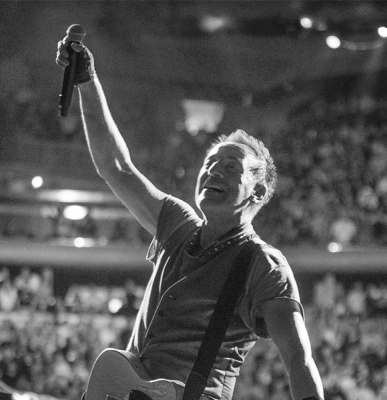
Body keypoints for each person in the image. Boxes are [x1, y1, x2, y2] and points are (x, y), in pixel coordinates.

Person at [56, 38, 323, 400]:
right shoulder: (177, 225)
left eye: (230, 167)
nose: (214, 172)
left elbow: (298, 360)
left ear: (258, 192)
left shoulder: (263, 265)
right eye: (210, 164)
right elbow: (116, 167)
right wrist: (86, 80)